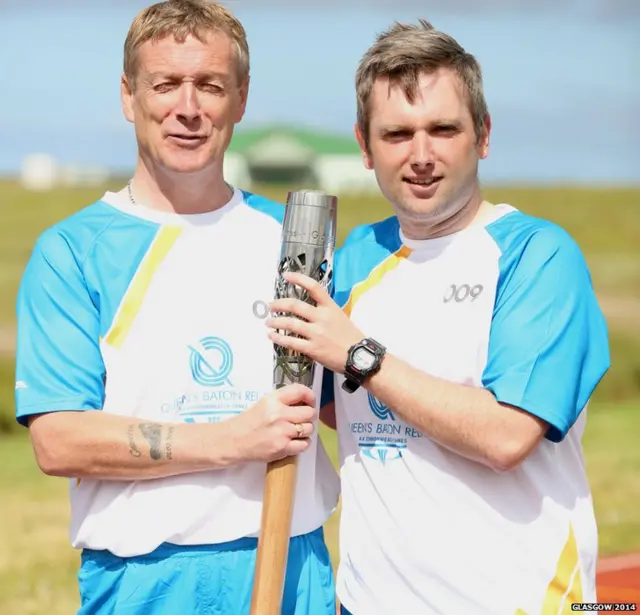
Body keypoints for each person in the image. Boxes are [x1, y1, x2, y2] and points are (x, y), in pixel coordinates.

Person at [266, 19, 610, 615]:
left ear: (482, 135)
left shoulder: (536, 256)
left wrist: (358, 355)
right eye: (396, 133)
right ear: (364, 145)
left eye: (442, 129)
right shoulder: (352, 260)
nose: (421, 155)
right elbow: (331, 410)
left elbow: (507, 436)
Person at [14, 1, 339, 614]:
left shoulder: (294, 241)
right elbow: (58, 442)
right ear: (128, 95)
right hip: (143, 581)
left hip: (294, 566)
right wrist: (232, 440)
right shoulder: (73, 251)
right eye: (165, 84)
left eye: (210, 86)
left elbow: (339, 408)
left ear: (240, 99)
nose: (187, 108)